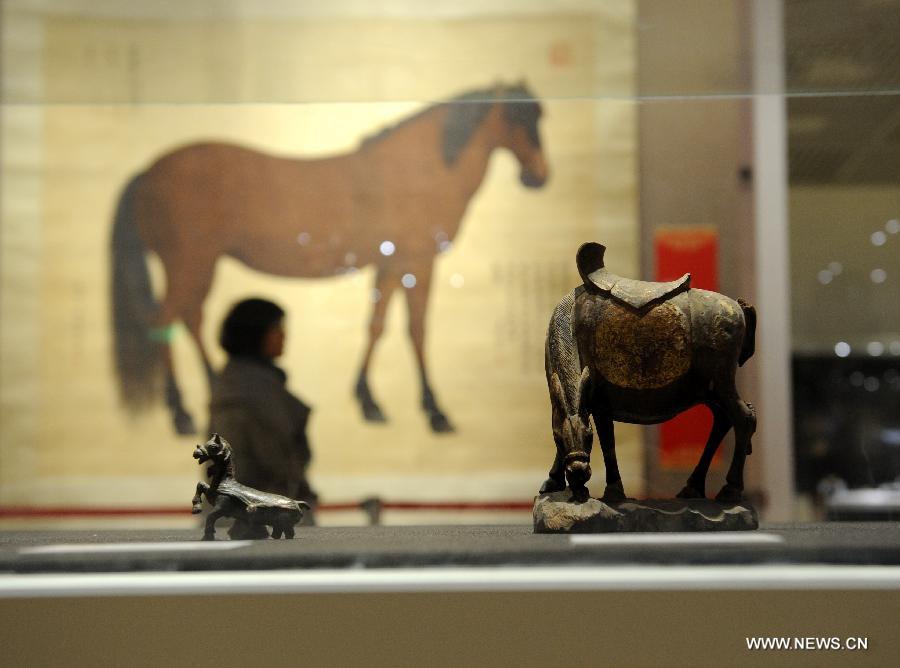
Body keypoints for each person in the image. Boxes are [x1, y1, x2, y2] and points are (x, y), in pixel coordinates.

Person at [208, 297, 317, 535]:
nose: (283, 335)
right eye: (277, 328)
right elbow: (273, 460)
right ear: (256, 334)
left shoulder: (246, 382)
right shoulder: (249, 389)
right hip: (254, 518)